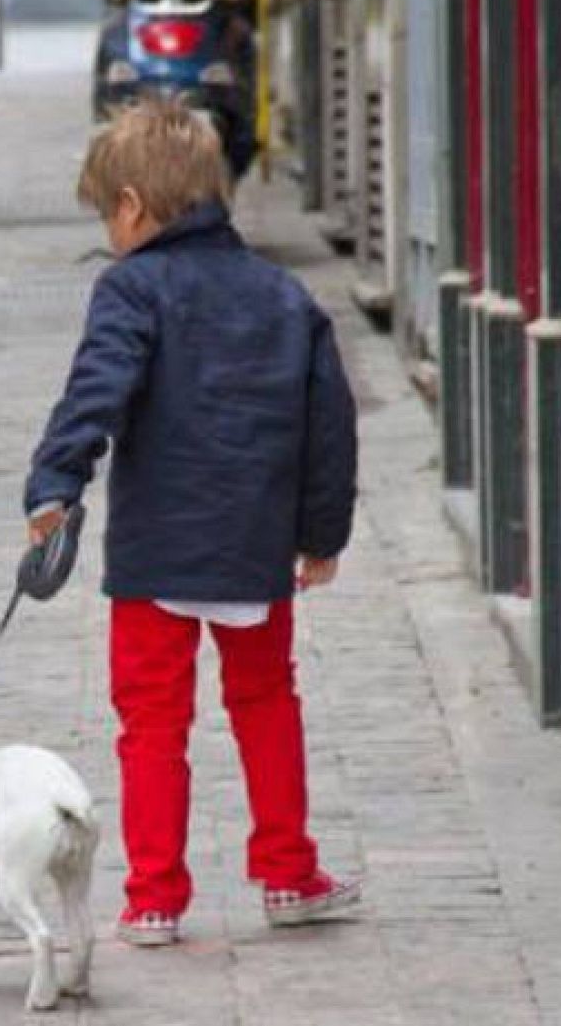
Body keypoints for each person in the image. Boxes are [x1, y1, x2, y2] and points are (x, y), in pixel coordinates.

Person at [23, 98, 361, 947]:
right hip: (253, 549)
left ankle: (153, 896)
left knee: (151, 724)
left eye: (108, 214)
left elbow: (93, 392)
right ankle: (288, 872)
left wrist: (55, 483)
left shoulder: (130, 289)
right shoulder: (285, 297)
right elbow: (331, 429)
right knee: (266, 703)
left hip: (154, 555)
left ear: (132, 207)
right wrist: (322, 535)